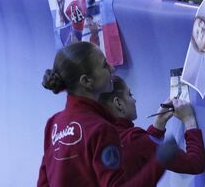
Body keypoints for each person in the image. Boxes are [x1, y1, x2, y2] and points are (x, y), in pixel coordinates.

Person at [38, 42, 166, 186]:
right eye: (105, 65)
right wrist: (161, 161)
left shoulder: (53, 123)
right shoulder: (101, 129)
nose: (112, 68)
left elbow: (43, 183)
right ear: (87, 81)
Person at [98, 76, 205, 178]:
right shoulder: (133, 139)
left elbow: (138, 153)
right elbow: (194, 163)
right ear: (118, 103)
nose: (134, 100)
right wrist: (189, 120)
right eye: (130, 94)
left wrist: (159, 123)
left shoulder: (99, 141)